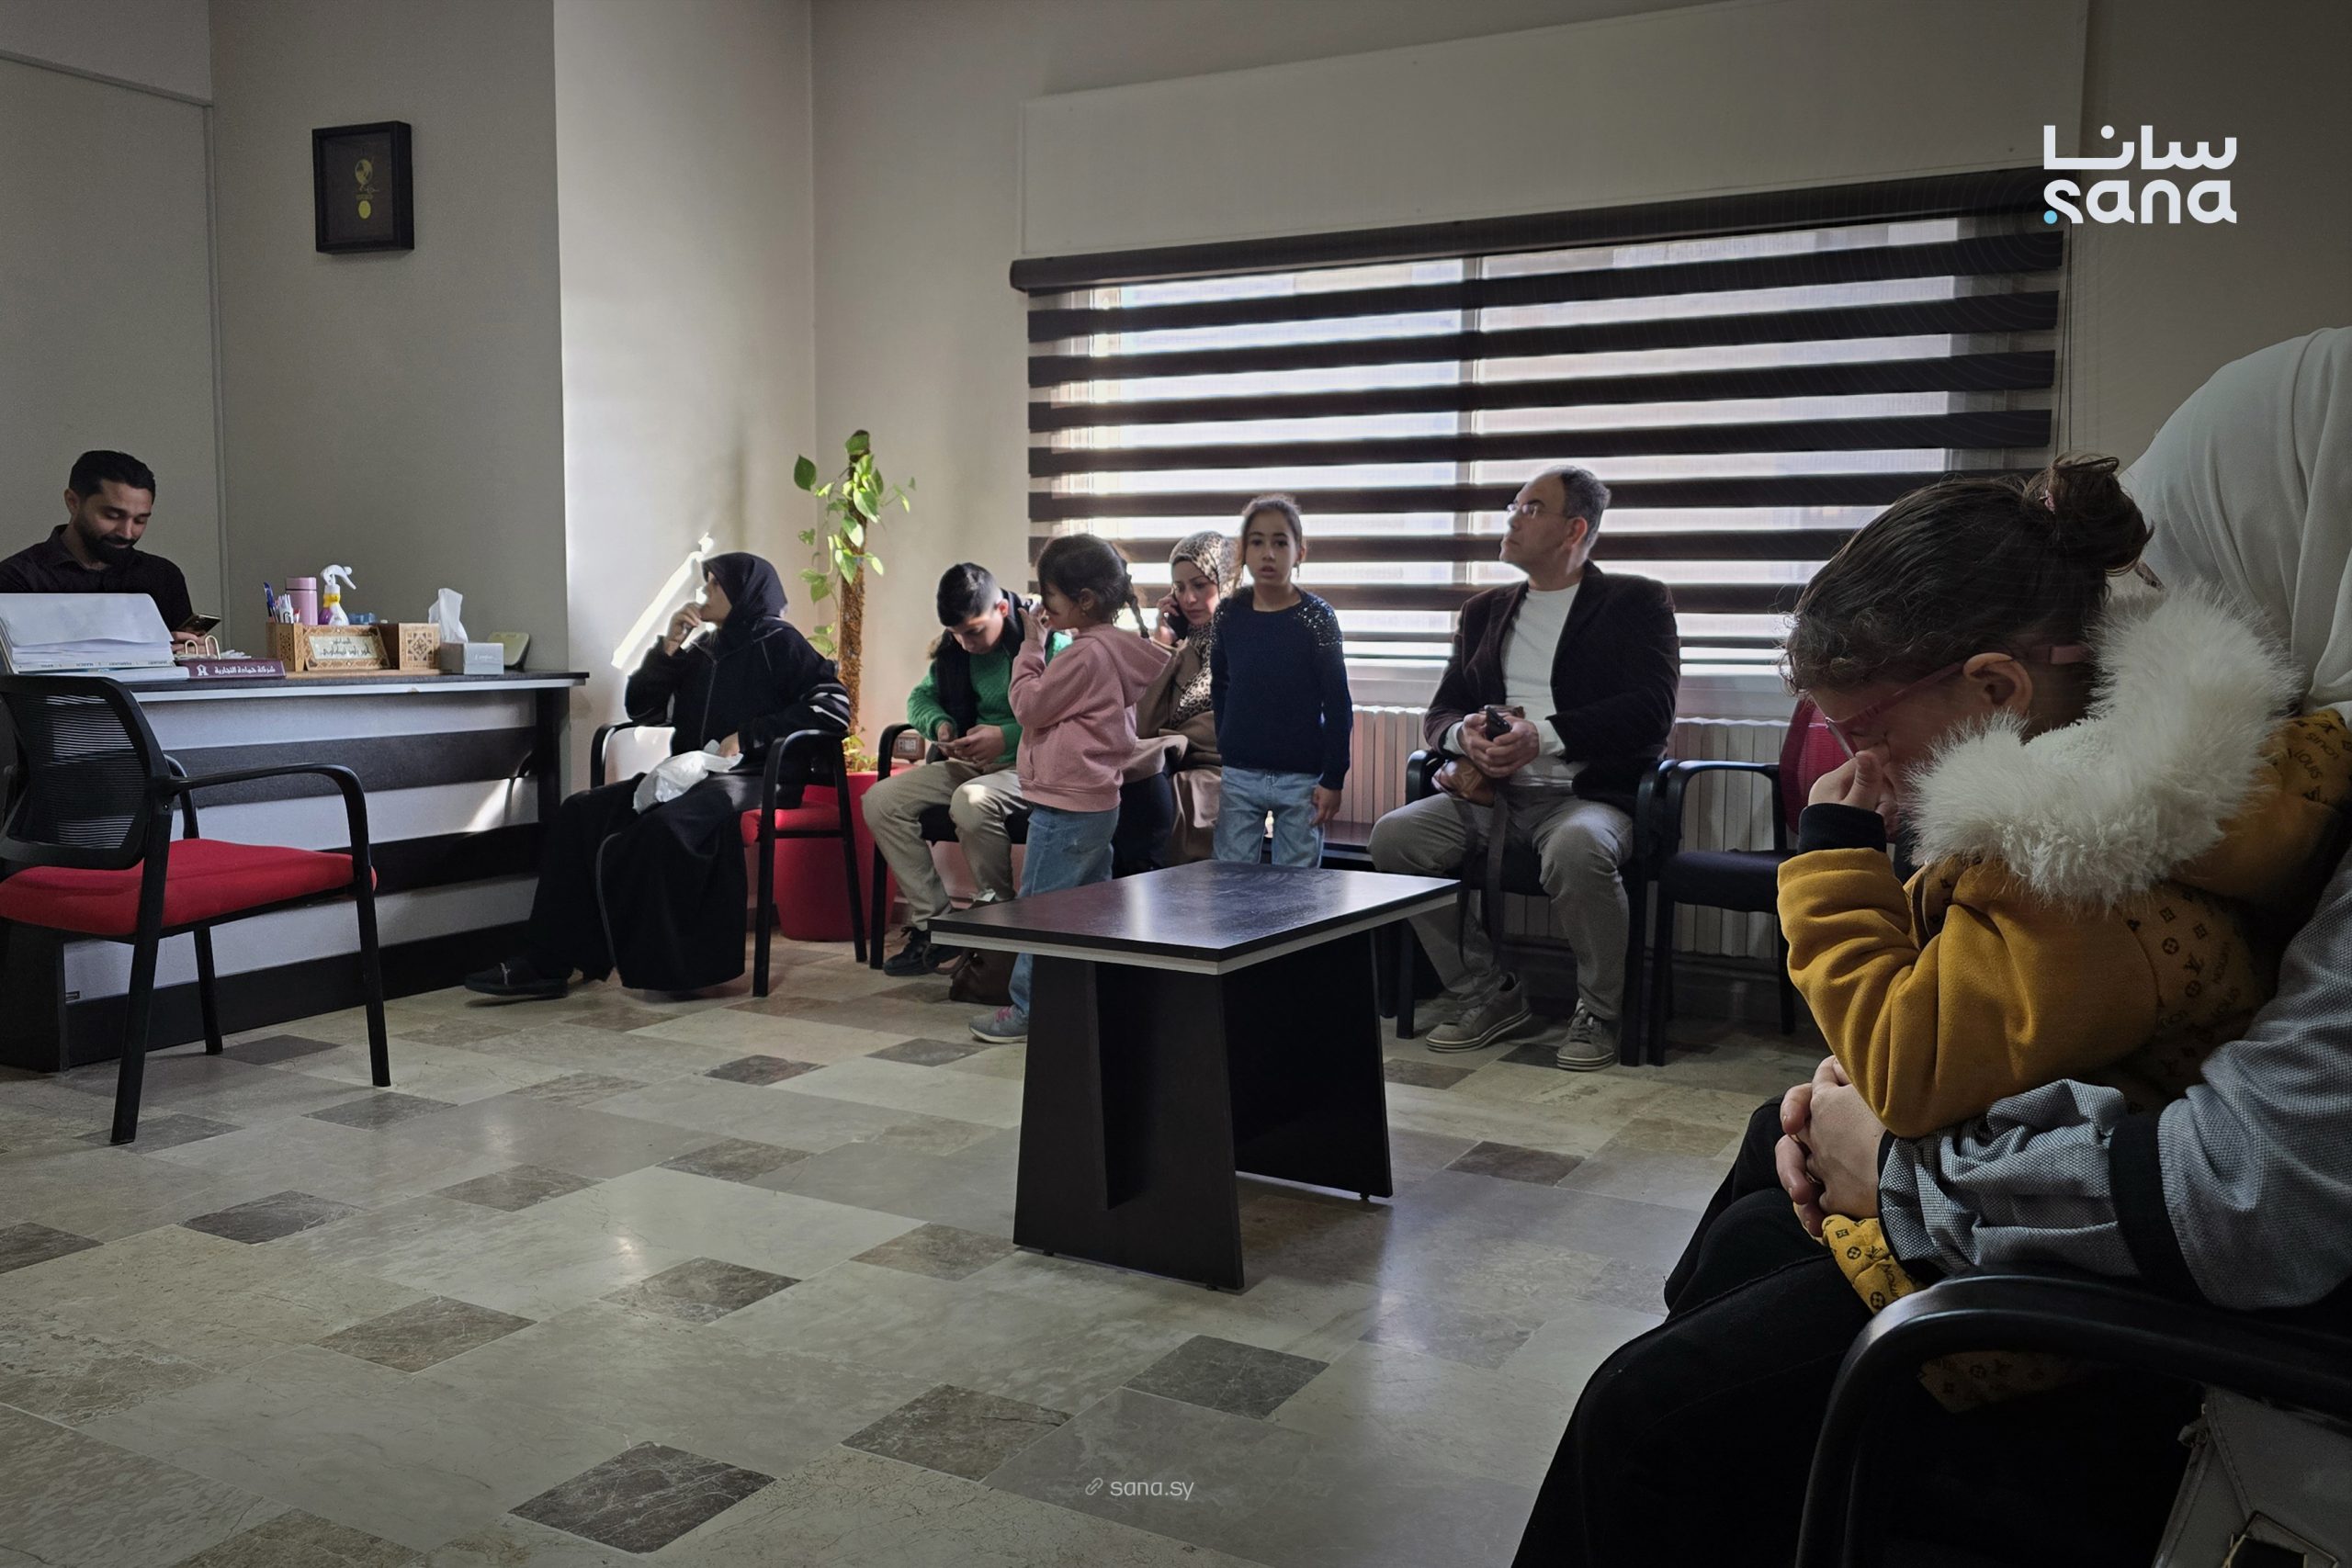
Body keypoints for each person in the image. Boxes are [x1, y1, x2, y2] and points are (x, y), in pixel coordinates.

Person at [1513, 332, 2352, 1566]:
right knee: (1748, 1215)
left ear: (2001, 692)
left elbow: (1924, 1066)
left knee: (1645, 1408)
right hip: (2047, 1165)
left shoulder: (2077, 851)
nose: (1853, 763)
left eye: (1866, 734)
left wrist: (1830, 874)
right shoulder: (2169, 794)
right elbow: (1967, 999)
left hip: (2058, 1318)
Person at [1367, 465, 1678, 1069]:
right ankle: (1486, 989)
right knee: (1394, 838)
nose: (1512, 518)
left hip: (1591, 798)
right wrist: (1463, 738)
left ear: (1574, 529)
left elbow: (1652, 710)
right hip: (1492, 798)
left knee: (1577, 848)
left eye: (1531, 508)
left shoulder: (1636, 602)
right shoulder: (1483, 610)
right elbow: (1441, 711)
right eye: (1514, 505)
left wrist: (1545, 736)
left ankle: (1599, 1011)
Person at [465, 553, 848, 998]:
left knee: (667, 827)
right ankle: (547, 962)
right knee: (580, 812)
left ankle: (672, 971)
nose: (704, 593)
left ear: (744, 592)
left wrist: (749, 736)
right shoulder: (704, 651)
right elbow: (644, 709)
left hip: (759, 776)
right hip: (693, 777)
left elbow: (833, 706)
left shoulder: (779, 643)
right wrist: (669, 647)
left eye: (715, 585)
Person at [968, 535, 1167, 1044]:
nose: (1042, 604)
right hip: (1095, 801)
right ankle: (1087, 1003)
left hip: (1065, 806)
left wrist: (1031, 647)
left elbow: (1028, 707)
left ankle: (1029, 1009)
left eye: (1050, 594)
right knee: (1090, 909)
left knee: (1042, 908)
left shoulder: (1086, 655)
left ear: (1085, 600)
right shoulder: (1112, 650)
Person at [865, 564, 1033, 977]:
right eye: (956, 633)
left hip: (1031, 766)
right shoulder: (952, 650)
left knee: (970, 802)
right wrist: (941, 726)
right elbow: (920, 699)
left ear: (1001, 609)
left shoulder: (1041, 641)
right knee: (880, 800)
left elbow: (1064, 715)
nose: (965, 643)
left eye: (974, 631)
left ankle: (997, 923)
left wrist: (1006, 737)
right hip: (971, 765)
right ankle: (935, 927)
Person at [1208, 496, 1351, 866]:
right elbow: (1220, 683)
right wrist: (1226, 739)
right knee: (1231, 878)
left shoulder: (1317, 618)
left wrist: (1333, 778)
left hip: (1301, 778)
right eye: (1257, 542)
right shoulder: (1229, 614)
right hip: (1241, 773)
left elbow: (1338, 702)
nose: (1268, 553)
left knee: (1297, 885)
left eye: (1280, 542)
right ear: (1244, 551)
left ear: (1299, 552)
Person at [0, 450, 203, 650]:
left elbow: (185, 660)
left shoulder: (163, 576)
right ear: (73, 502)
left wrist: (197, 656)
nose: (127, 533)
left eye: (140, 520)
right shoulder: (17, 577)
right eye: (112, 516)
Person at [1114, 529, 1229, 870]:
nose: (1189, 598)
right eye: (1179, 588)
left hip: (1218, 772)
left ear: (1227, 582)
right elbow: (1142, 726)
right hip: (1164, 767)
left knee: (1147, 801)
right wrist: (1162, 644)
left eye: (1200, 585)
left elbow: (1222, 735)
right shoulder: (1179, 648)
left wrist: (1176, 739)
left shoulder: (1245, 643)